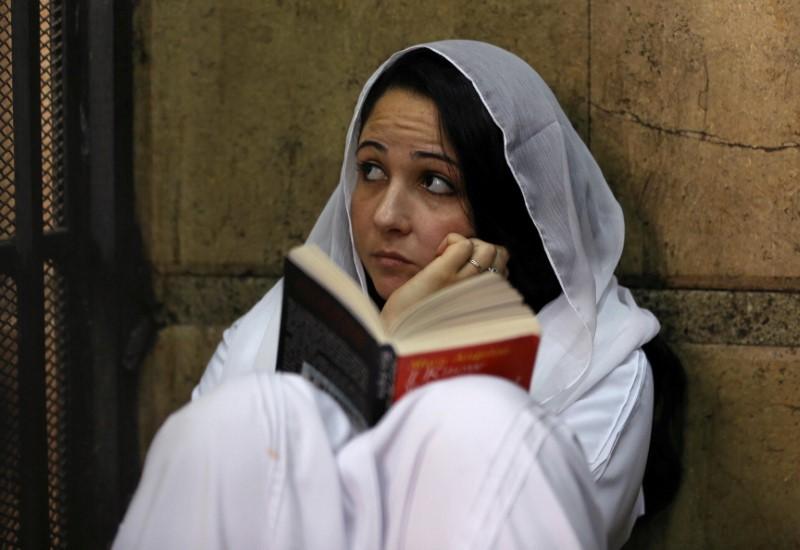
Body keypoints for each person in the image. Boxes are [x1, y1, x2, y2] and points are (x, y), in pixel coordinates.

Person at [113, 40, 666, 549]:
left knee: (481, 420)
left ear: (507, 209)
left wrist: (411, 378)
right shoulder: (273, 328)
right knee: (253, 413)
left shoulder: (599, 368)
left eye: (435, 183)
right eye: (372, 170)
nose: (385, 215)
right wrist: (389, 344)